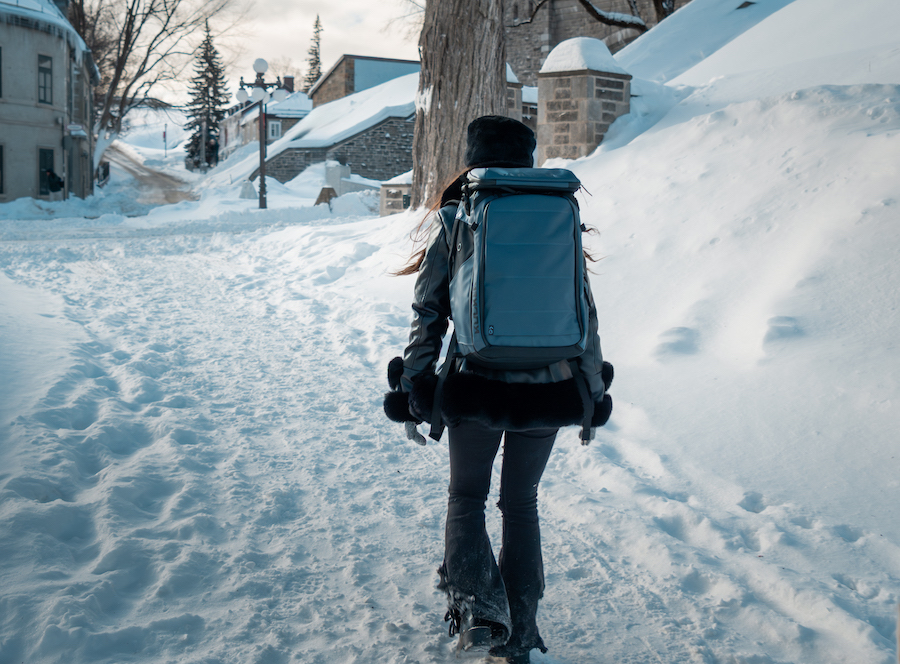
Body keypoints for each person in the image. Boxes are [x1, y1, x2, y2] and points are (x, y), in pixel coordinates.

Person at [384, 115, 612, 664]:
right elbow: (584, 313)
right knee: (521, 503)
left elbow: (429, 311)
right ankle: (521, 633)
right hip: (550, 387)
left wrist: (416, 381)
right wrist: (590, 388)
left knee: (467, 497)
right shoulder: (559, 215)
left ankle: (481, 613)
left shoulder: (456, 216)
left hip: (476, 386)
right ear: (528, 160)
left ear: (474, 160)